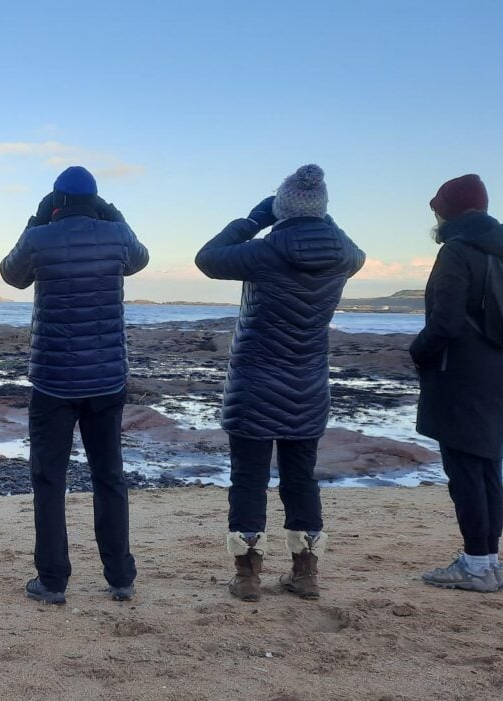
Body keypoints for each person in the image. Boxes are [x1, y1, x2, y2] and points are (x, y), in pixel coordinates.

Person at [194, 164, 365, 602]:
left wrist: (255, 220)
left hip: (253, 382)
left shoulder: (264, 251)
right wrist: (318, 217)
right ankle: (304, 575)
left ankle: (248, 576)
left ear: (281, 207)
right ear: (323, 211)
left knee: (248, 479)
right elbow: (351, 249)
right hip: (308, 384)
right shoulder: (344, 254)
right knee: (301, 479)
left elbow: (208, 258)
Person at [0, 166, 149, 605]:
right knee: (109, 477)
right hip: (106, 379)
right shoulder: (117, 236)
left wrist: (34, 222)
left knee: (49, 480)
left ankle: (52, 581)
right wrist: (113, 215)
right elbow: (140, 259)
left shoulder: (39, 238)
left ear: (55, 201)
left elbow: (12, 275)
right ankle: (120, 576)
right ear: (96, 201)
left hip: (52, 380)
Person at [412, 174, 503, 593]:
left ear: (453, 210)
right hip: (496, 369)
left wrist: (417, 352)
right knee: (486, 470)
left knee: (464, 471)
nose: (435, 212)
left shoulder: (457, 251)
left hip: (458, 373)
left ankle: (477, 566)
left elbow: (443, 322)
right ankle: (489, 562)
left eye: (439, 206)